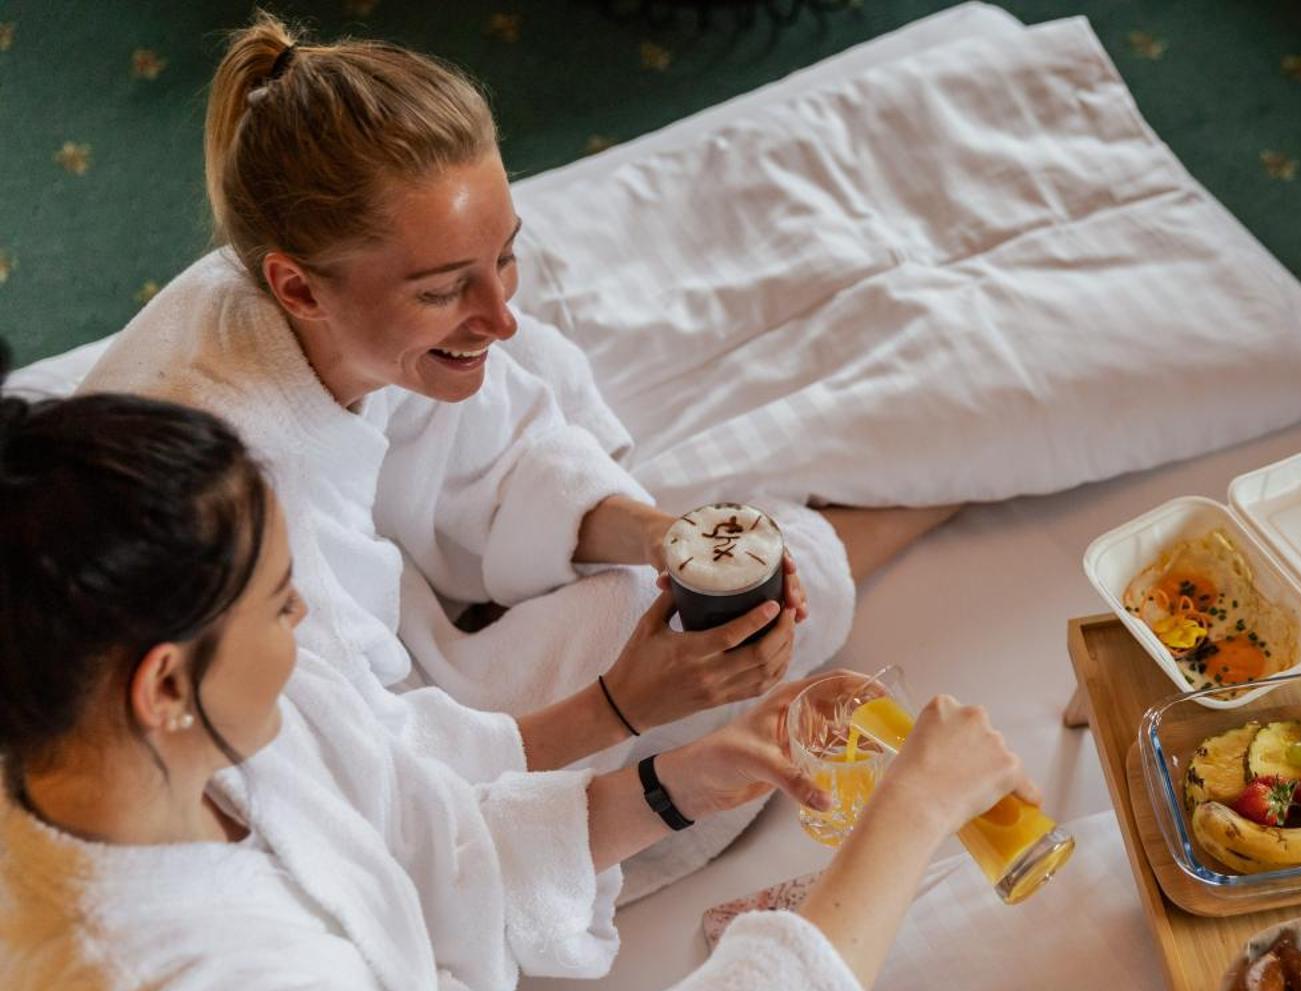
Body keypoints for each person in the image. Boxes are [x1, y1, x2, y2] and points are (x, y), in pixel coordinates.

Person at [0, 381, 1099, 991]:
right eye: (286, 606)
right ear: (161, 686)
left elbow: (414, 836)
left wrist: (664, 786)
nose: (309, 638)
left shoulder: (131, 756)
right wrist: (906, 813)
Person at [78, 13, 958, 898]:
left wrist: (665, 538)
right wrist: (622, 706)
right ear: (297, 286)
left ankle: (865, 530)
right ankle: (897, 519)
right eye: (443, 288)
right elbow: (384, 789)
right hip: (304, 755)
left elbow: (498, 458)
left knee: (679, 585)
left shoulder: (296, 299)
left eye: (505, 258)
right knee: (688, 631)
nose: (499, 313)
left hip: (375, 628)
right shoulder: (243, 512)